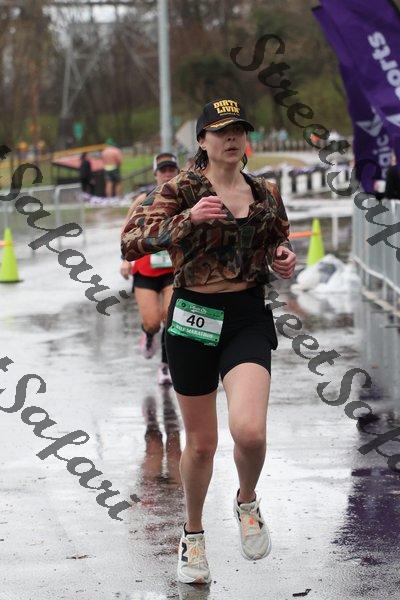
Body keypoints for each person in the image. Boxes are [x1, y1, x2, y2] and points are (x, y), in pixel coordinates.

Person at [121, 99, 296, 585]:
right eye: (220, 131)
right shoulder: (180, 189)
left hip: (246, 316)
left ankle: (247, 501)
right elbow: (131, 241)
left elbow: (278, 239)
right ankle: (193, 535)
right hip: (193, 317)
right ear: (202, 141)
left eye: (238, 129)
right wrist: (188, 219)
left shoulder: (264, 191)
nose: (231, 138)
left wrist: (283, 257)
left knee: (250, 432)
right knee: (201, 446)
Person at [120, 153, 180, 385]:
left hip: (173, 271)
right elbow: (127, 232)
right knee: (153, 322)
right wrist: (125, 260)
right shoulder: (143, 200)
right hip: (146, 270)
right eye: (163, 170)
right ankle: (147, 334)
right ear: (155, 174)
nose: (167, 174)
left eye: (171, 169)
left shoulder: (184, 198)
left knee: (170, 319)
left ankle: (165, 366)